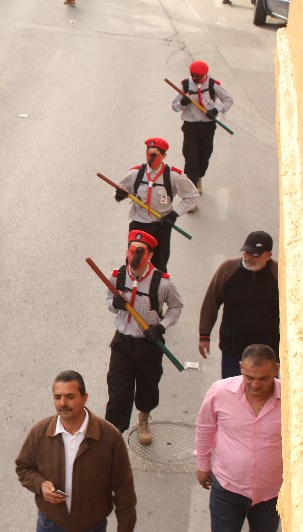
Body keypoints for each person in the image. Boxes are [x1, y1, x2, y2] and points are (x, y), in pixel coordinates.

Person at [15, 370, 136, 532]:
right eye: (57, 397)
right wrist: (41, 485)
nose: (63, 403)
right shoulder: (40, 433)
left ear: (84, 397)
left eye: (70, 396)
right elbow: (23, 468)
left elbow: (123, 489)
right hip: (50, 530)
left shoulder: (109, 437)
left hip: (90, 531)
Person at [195, 344, 281, 532]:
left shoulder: (292, 398)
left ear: (275, 370)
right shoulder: (220, 392)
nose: (255, 385)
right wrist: (202, 465)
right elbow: (205, 427)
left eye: (264, 378)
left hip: (271, 492)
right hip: (227, 489)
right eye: (249, 378)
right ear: (241, 370)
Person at [105, 230, 183, 445]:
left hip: (149, 344)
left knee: (148, 386)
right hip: (122, 342)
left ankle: (144, 417)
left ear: (150, 255)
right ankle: (113, 435)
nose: (135, 258)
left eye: (141, 253)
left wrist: (161, 327)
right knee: (118, 390)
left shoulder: (164, 283)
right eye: (131, 252)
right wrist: (115, 304)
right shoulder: (117, 276)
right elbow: (109, 302)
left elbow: (176, 308)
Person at [199, 231, 279, 378]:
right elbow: (211, 301)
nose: (248, 257)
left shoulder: (280, 275)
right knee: (232, 395)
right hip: (233, 351)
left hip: (268, 353)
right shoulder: (228, 269)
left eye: (255, 254)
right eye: (246, 252)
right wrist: (204, 335)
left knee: (265, 397)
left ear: (268, 256)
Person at [114, 137, 198, 273]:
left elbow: (192, 196)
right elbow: (119, 191)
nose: (151, 159)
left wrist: (175, 214)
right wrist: (119, 195)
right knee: (133, 264)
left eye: (156, 155)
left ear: (164, 156)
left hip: (161, 226)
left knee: (159, 266)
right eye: (149, 154)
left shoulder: (173, 176)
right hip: (139, 226)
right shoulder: (135, 174)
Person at [171, 61, 233, 194]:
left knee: (205, 155)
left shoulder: (213, 85)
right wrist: (182, 102)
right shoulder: (185, 85)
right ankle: (191, 190)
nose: (195, 78)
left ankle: (199, 176)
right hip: (190, 126)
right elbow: (174, 106)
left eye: (198, 76)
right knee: (190, 157)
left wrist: (216, 110)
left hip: (208, 126)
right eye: (193, 75)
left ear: (205, 74)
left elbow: (228, 100)